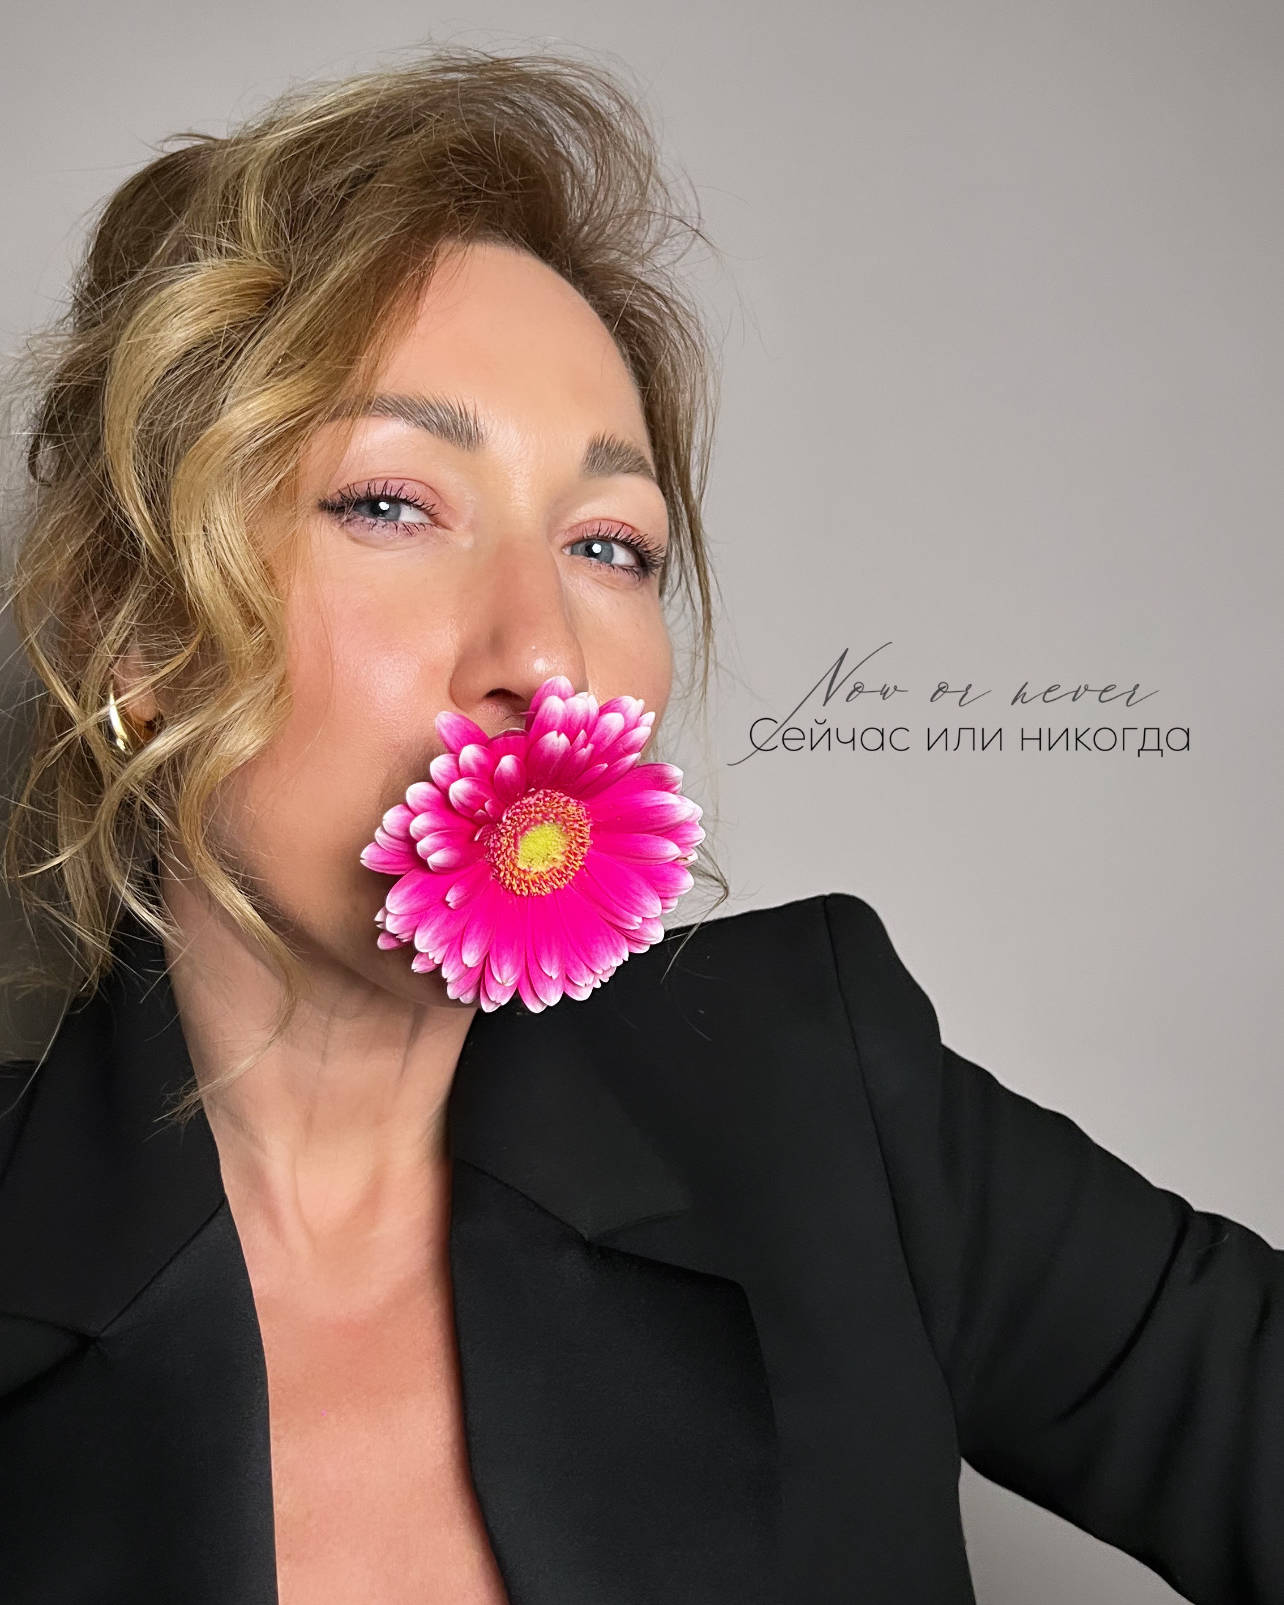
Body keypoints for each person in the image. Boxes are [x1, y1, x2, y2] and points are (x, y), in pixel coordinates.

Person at [0, 45, 1279, 1605]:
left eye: (610, 543)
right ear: (136, 634)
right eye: (392, 502)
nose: (545, 654)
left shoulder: (824, 1101)